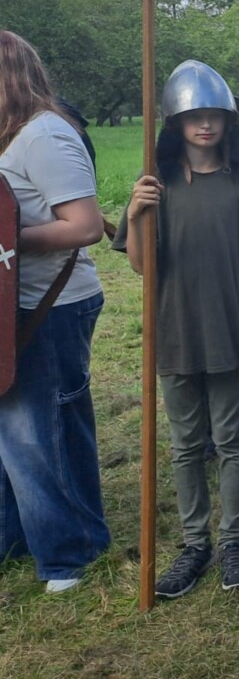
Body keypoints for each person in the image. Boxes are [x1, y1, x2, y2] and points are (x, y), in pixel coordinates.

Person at [114, 60, 239, 598]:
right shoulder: (156, 186)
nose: (204, 126)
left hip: (232, 329)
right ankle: (194, 543)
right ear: (175, 123)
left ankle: (233, 541)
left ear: (229, 121)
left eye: (214, 116)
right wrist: (138, 213)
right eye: (193, 116)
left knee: (232, 442)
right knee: (186, 445)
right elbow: (142, 267)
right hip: (176, 329)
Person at [0, 30, 109, 595]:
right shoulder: (10, 137)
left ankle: (68, 553)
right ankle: (18, 536)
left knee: (34, 434)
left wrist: (10, 237)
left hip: (52, 306)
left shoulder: (44, 137)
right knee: (18, 432)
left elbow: (84, 227)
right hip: (10, 307)